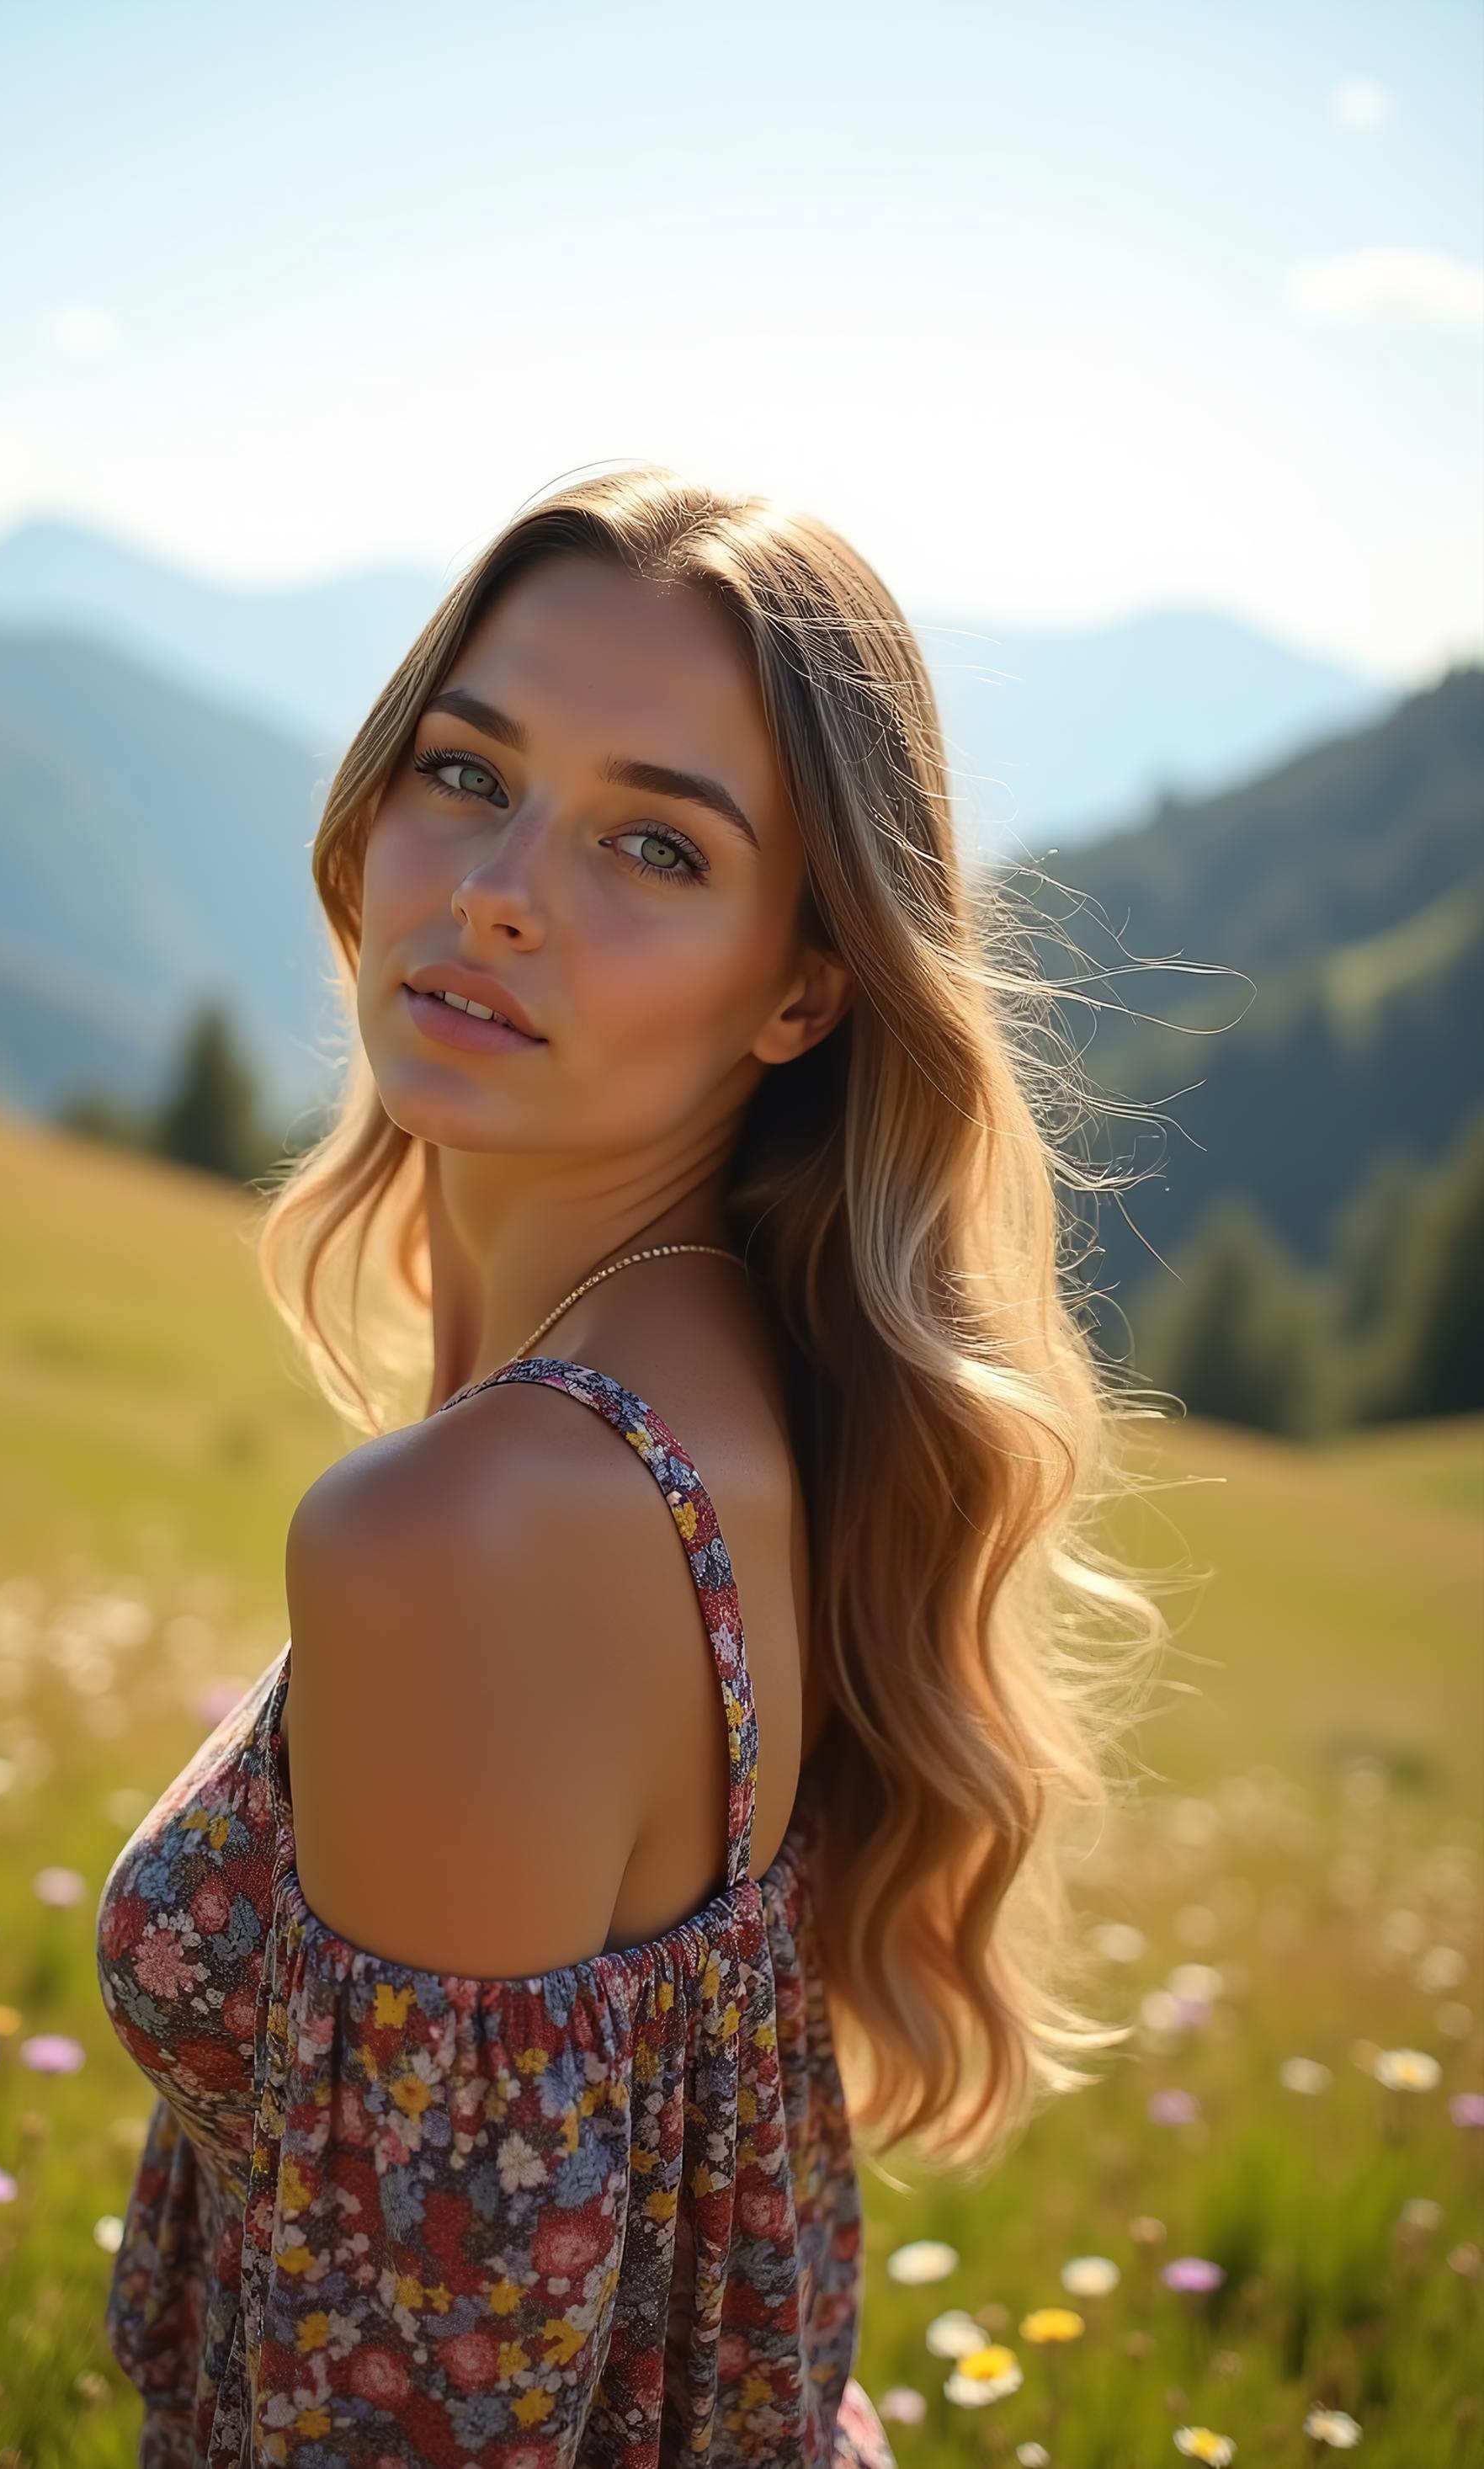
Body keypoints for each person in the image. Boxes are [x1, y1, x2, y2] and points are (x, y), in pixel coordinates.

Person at [95, 466, 1168, 2465]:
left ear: (801, 990)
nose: (497, 886)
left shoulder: (492, 1524)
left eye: (653, 848)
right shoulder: (738, 1383)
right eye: (464, 771)